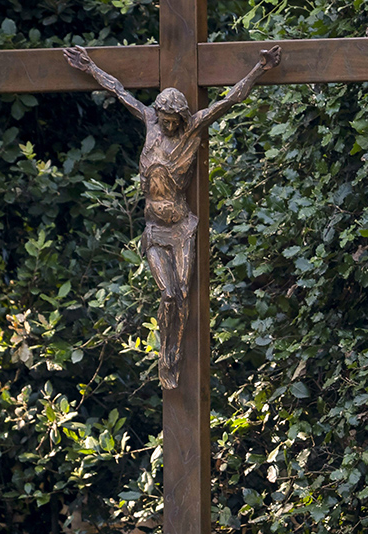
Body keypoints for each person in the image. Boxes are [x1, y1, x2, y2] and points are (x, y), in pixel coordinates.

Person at [63, 45, 282, 388]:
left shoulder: (192, 130)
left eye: (171, 120)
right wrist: (90, 68)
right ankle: (167, 359)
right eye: (163, 118)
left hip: (181, 230)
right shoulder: (150, 122)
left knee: (181, 295)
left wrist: (259, 70)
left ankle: (174, 356)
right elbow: (119, 90)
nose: (166, 124)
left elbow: (228, 102)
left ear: (181, 118)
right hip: (154, 230)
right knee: (168, 294)